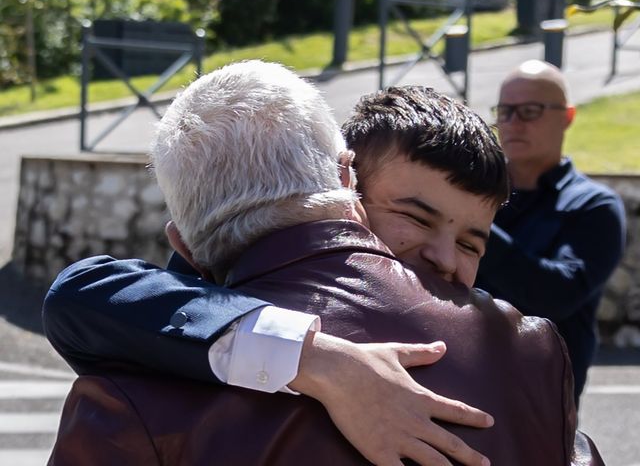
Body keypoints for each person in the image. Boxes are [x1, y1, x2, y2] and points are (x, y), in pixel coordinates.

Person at [47, 60, 599, 465]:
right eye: (415, 216)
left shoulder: (131, 386)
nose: (443, 259)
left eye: (474, 243)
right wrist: (316, 358)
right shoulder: (531, 352)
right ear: (347, 181)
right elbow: (85, 294)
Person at [476, 59, 626, 406]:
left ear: (567, 116)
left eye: (530, 111)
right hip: (452, 383)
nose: (513, 123)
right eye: (505, 111)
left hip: (539, 406)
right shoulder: (475, 197)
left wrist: (473, 225)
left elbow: (556, 295)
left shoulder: (594, 206)